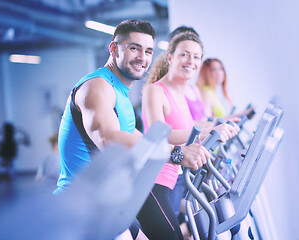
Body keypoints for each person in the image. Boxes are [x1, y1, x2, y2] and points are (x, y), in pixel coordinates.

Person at [55, 19, 212, 240]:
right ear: (113, 48)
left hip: (108, 204)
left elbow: (134, 135)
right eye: (134, 48)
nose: (142, 57)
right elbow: (108, 138)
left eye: (148, 51)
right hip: (83, 209)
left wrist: (178, 148)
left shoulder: (119, 91)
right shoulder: (98, 86)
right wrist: (176, 153)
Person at [138, 31, 240, 240]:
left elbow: (189, 129)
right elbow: (158, 135)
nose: (190, 61)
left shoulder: (181, 94)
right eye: (184, 54)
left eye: (196, 57)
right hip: (152, 183)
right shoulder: (154, 91)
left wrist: (217, 127)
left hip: (173, 181)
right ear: (170, 57)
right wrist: (207, 132)